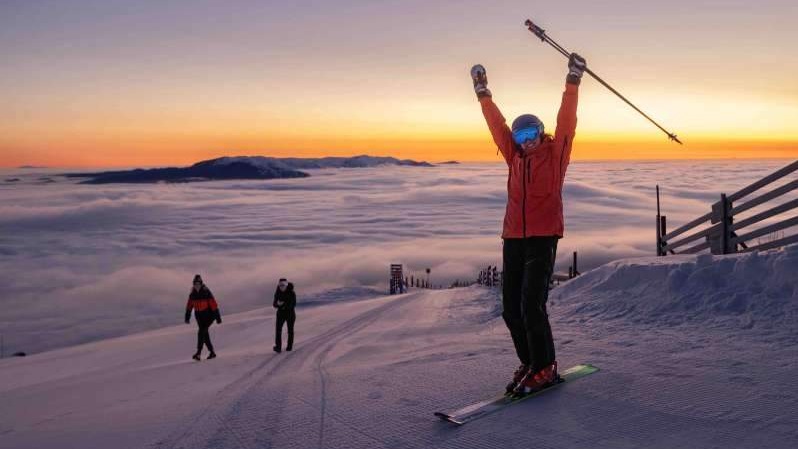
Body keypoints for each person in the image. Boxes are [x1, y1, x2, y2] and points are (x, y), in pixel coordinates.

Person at [470, 52, 586, 394]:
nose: (526, 142)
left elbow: (567, 121)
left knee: (532, 305)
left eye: (531, 134)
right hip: (513, 238)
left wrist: (573, 81)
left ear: (541, 132)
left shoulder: (555, 154)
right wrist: (483, 93)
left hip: (543, 236)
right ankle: (530, 361)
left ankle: (546, 366)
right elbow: (496, 127)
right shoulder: (514, 158)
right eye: (520, 138)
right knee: (510, 308)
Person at [185, 274, 222, 360]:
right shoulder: (192, 294)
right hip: (199, 317)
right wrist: (187, 317)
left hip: (209, 316)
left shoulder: (206, 292)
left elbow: (213, 305)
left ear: (201, 284)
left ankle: (198, 353)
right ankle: (212, 352)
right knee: (204, 334)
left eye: (198, 283)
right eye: (195, 284)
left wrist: (218, 317)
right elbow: (189, 306)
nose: (197, 285)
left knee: (201, 332)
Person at [273, 278, 296, 353]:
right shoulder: (277, 292)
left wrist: (283, 305)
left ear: (286, 285)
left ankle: (289, 347)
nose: (281, 286)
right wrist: (278, 304)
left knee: (290, 330)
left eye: (283, 285)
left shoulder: (291, 293)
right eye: (280, 285)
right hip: (280, 314)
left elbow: (293, 304)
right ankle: (278, 347)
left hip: (290, 314)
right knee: (278, 330)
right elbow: (274, 304)